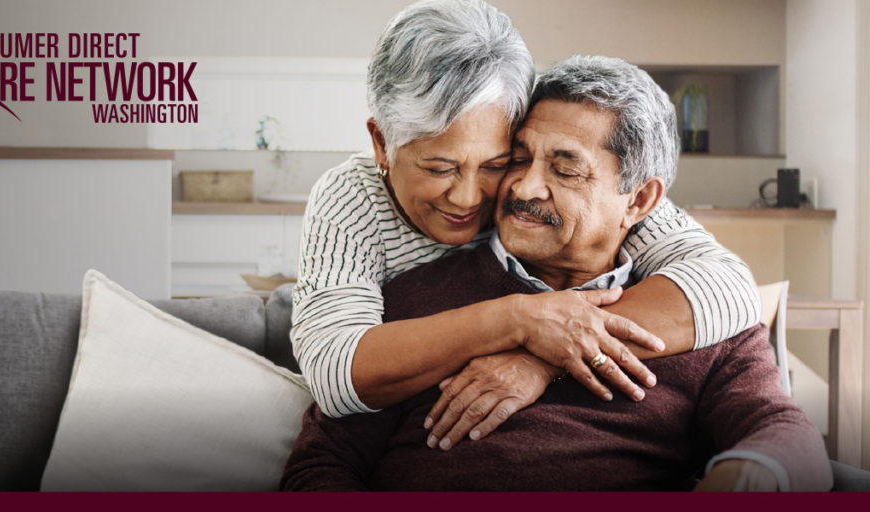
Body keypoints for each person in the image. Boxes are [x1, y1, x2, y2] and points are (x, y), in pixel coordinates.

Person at [280, 55, 832, 492]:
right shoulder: (414, 300)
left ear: (639, 200)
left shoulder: (700, 320)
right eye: (516, 159)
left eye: (565, 168)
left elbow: (788, 436)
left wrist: (750, 473)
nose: (522, 188)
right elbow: (321, 465)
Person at [291, 0, 760, 444]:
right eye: (440, 168)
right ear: (380, 144)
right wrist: (518, 319)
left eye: (497, 163)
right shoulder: (352, 198)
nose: (470, 197)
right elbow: (334, 375)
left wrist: (539, 354)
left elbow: (727, 286)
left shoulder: (550, 192)